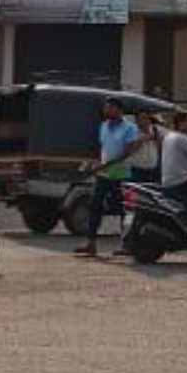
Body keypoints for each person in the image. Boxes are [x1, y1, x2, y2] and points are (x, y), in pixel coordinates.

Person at [76, 98, 144, 258]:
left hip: (122, 171)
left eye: (110, 108)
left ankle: (126, 245)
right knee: (95, 205)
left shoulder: (130, 127)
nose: (106, 110)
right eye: (106, 108)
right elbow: (103, 148)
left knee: (124, 209)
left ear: (120, 110)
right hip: (104, 172)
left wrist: (106, 165)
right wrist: (94, 163)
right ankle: (91, 243)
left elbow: (127, 152)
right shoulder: (103, 126)